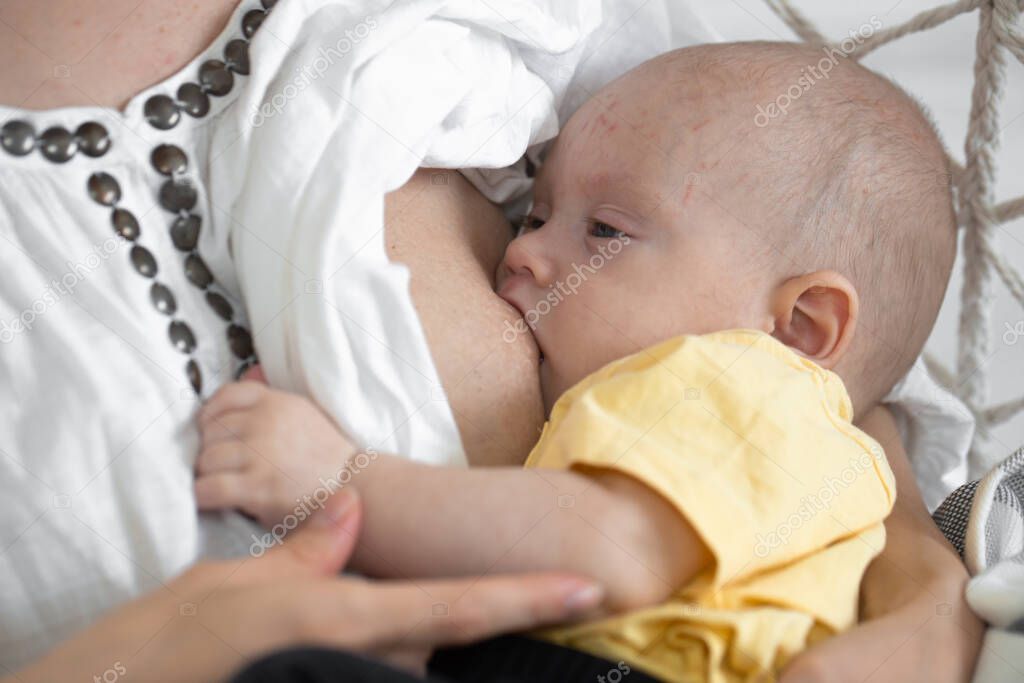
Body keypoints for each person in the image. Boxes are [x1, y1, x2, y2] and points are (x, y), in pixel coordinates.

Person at [0, 1, 980, 681]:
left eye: (602, 233)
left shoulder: (728, 383)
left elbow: (610, 548)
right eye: (534, 212)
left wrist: (337, 474)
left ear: (802, 327)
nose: (524, 257)